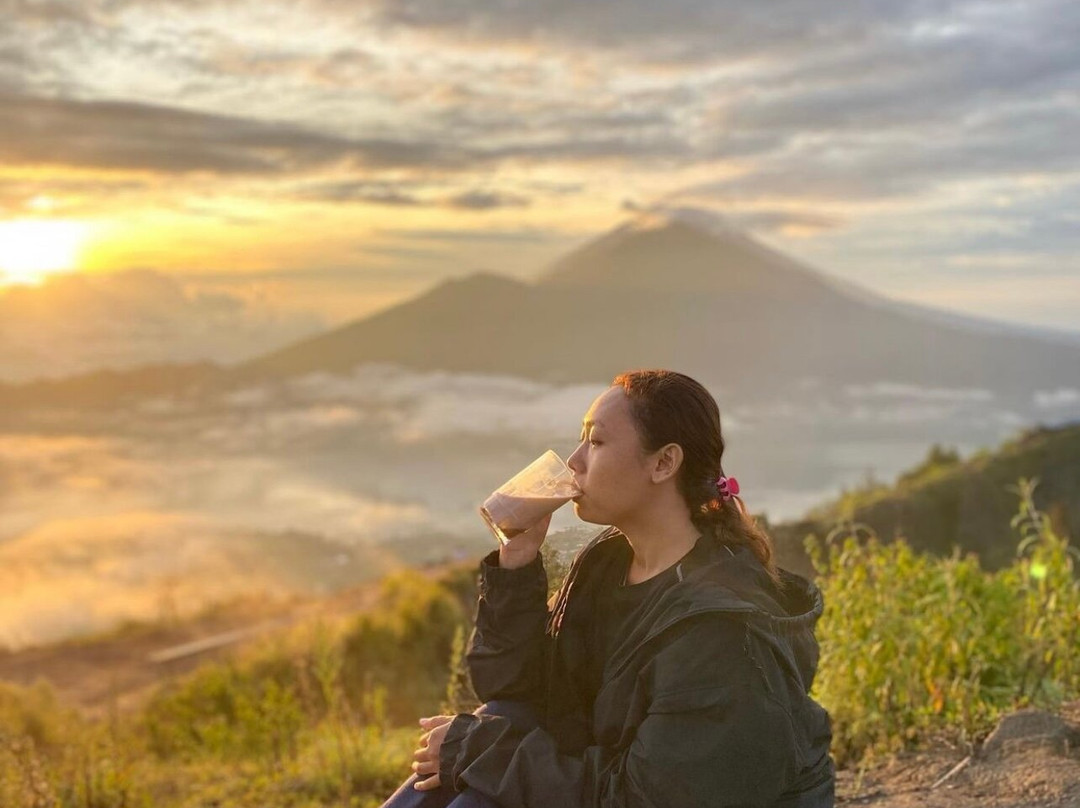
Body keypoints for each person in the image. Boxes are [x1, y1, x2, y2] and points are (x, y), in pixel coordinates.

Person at [381, 369, 835, 808]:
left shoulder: (721, 634)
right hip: (613, 784)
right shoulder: (608, 565)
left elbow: (639, 800)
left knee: (483, 760)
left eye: (596, 442)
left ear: (663, 463)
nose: (574, 461)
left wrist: (476, 753)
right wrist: (516, 564)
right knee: (494, 730)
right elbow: (513, 691)